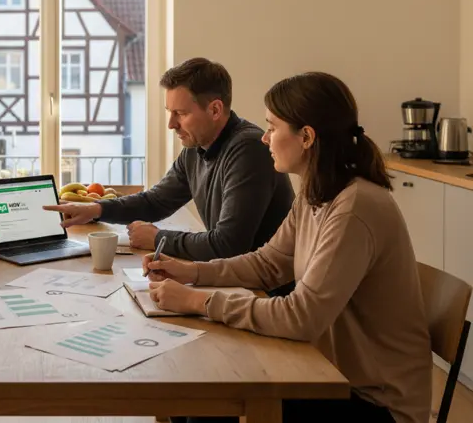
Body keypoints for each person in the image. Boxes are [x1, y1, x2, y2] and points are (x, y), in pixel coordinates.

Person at [143, 72, 431, 423]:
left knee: (209, 401)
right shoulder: (316, 194)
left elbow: (301, 317)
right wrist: (192, 272)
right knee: (198, 392)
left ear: (306, 137)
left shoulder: (355, 208)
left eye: (272, 127)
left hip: (373, 402)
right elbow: (268, 263)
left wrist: (195, 300)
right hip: (327, 374)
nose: (264, 138)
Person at [44, 57, 294, 264]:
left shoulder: (249, 150)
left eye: (181, 113)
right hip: (234, 279)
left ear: (215, 110)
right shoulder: (195, 147)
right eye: (169, 112)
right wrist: (97, 209)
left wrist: (157, 238)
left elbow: (227, 245)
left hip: (265, 292)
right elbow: (156, 201)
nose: (171, 124)